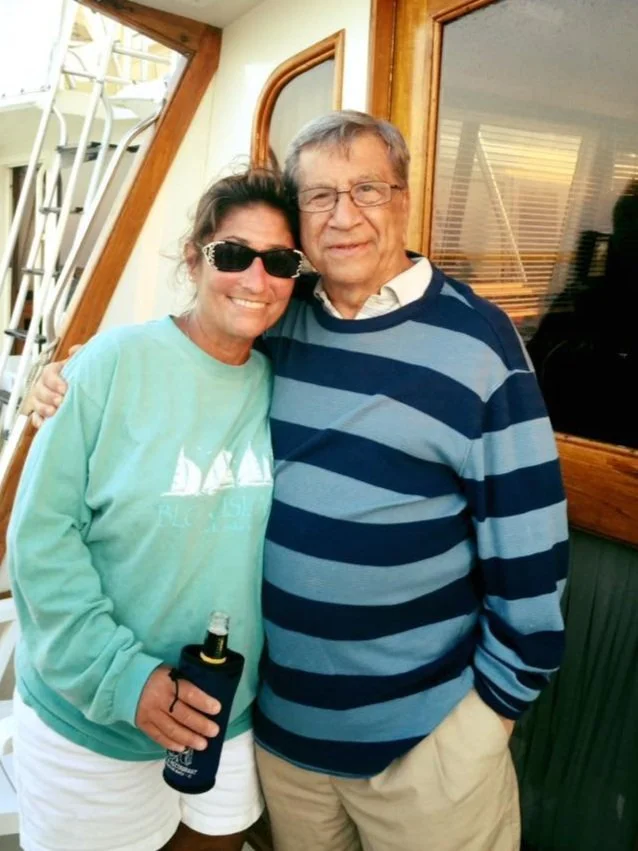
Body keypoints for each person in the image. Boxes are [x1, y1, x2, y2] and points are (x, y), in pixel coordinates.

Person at [30, 111, 569, 851]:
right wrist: (68, 374)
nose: (343, 216)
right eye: (319, 196)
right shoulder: (283, 323)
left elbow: (532, 548)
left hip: (425, 742)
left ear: (404, 198)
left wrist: (489, 716)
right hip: (286, 739)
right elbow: (191, 341)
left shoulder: (479, 343)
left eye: (367, 189)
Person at [7, 168, 303, 851]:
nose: (256, 279)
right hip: (95, 721)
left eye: (280, 261)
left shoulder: (284, 380)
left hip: (224, 713)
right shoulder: (110, 365)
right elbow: (41, 540)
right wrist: (124, 678)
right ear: (195, 258)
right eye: (233, 254)